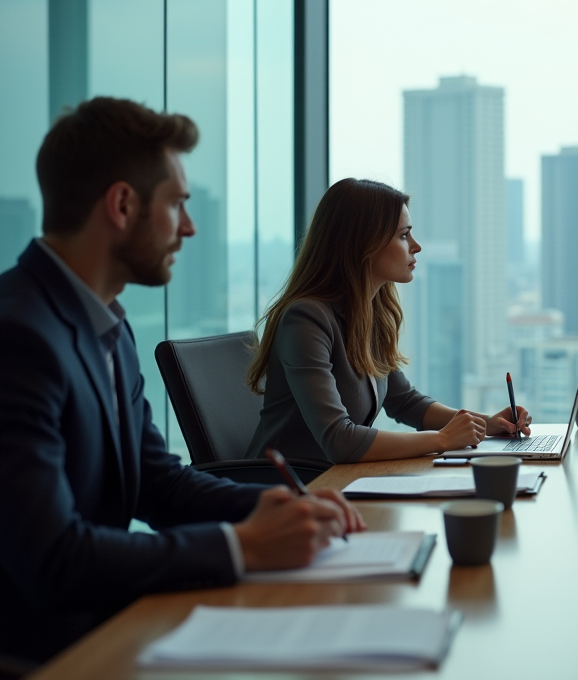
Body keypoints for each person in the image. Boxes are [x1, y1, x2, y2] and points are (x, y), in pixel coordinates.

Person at [0, 98, 365, 665]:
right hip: (50, 655)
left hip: (111, 629)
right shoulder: (18, 336)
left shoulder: (109, 327)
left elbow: (157, 484)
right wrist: (241, 545)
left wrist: (278, 506)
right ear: (122, 204)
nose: (189, 227)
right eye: (177, 204)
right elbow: (53, 561)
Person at [244, 178, 531, 465]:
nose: (416, 246)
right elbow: (339, 440)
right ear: (363, 244)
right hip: (284, 489)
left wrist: (488, 424)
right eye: (404, 235)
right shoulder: (305, 320)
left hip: (336, 483)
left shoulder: (371, 312)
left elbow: (405, 401)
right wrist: (442, 439)